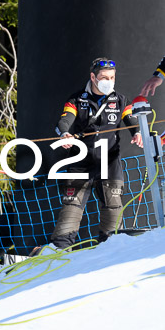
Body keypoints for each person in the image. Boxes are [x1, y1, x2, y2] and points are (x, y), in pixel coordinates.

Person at [51, 58, 142, 249]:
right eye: (104, 77)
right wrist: (65, 133)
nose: (108, 81)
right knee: (71, 209)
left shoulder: (121, 100)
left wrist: (138, 133)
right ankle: (59, 252)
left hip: (109, 163)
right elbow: (64, 120)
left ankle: (109, 251)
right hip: (80, 161)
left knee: (113, 208)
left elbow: (131, 120)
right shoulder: (76, 99)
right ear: (93, 77)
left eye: (112, 77)